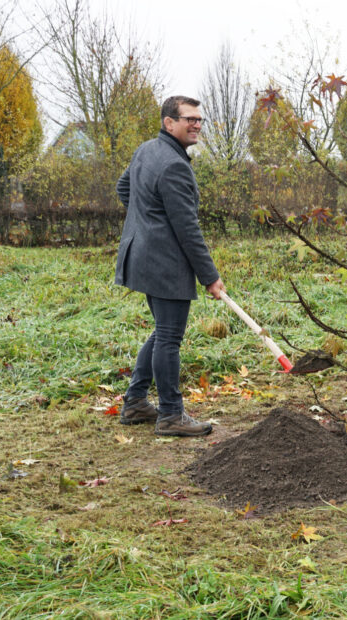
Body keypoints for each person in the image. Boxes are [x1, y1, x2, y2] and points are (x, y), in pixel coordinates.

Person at [115, 96, 223, 437]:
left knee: (164, 330)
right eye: (189, 119)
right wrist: (210, 277)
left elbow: (123, 189)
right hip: (163, 263)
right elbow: (187, 229)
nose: (196, 125)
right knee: (169, 336)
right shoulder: (174, 165)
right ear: (169, 123)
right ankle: (172, 415)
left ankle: (135, 402)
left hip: (143, 257)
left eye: (199, 119)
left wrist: (147, 221)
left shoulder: (147, 150)